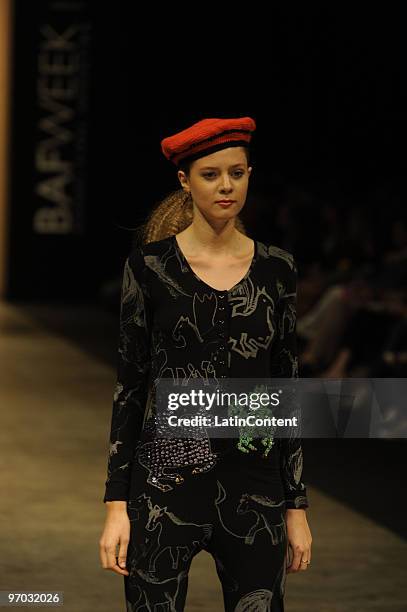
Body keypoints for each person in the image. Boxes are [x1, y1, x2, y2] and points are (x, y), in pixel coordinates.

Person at [99, 117, 312, 611]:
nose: (226, 186)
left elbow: (286, 386)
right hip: (163, 486)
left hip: (255, 486)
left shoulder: (278, 268)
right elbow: (129, 388)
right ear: (184, 181)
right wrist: (116, 505)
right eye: (211, 174)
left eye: (236, 173)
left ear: (250, 175)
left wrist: (296, 506)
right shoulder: (149, 267)